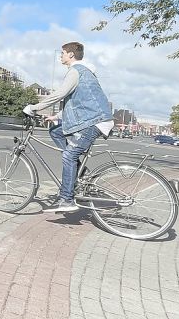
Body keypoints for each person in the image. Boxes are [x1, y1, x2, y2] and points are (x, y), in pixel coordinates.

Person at [23, 42, 113, 213]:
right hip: (91, 118)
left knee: (69, 156)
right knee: (55, 131)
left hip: (94, 121)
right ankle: (79, 172)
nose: (61, 56)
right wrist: (56, 117)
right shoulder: (85, 72)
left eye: (63, 53)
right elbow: (78, 102)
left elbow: (60, 94)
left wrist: (34, 107)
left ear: (71, 55)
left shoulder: (76, 71)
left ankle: (66, 200)